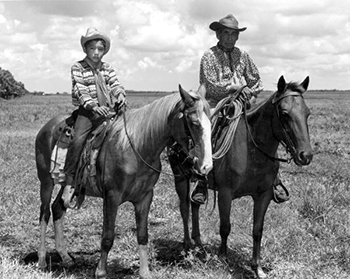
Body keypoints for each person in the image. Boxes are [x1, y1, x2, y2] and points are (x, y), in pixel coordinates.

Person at [190, 14, 289, 204]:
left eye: (233, 33)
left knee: (265, 129)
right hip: (215, 103)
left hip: (242, 103)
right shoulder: (208, 56)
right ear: (218, 34)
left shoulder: (243, 55)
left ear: (237, 36)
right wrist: (232, 88)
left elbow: (257, 81)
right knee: (206, 129)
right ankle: (202, 179)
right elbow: (209, 84)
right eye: (225, 32)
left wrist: (247, 91)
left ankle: (274, 177)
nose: (229, 36)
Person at [61, 27, 126, 208]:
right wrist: (95, 107)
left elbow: (115, 84)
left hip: (107, 110)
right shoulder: (78, 67)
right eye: (92, 49)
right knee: (78, 140)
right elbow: (81, 91)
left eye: (100, 49)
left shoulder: (107, 68)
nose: (96, 52)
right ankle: (69, 182)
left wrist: (120, 94)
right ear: (85, 49)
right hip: (88, 112)